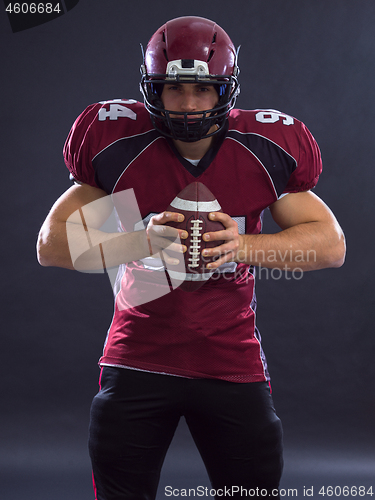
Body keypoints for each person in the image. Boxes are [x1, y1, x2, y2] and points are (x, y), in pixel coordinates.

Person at [37, 16, 346, 500]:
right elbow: (51, 244)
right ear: (151, 90)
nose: (187, 104)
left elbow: (331, 245)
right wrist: (140, 241)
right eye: (173, 89)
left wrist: (242, 246)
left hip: (230, 357)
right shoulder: (122, 145)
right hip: (137, 355)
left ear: (227, 90)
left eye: (203, 90)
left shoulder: (261, 149)